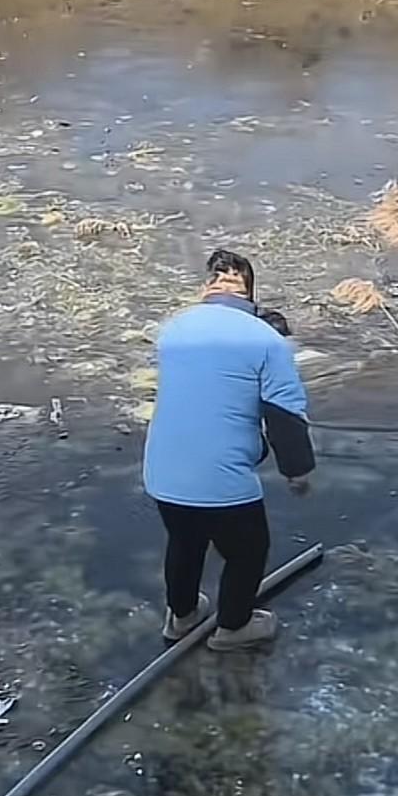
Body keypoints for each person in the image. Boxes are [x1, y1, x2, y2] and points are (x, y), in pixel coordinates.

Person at [143, 248, 315, 651]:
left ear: (208, 287)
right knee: (248, 550)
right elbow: (285, 414)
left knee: (185, 540)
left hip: (161, 471)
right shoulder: (267, 340)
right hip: (220, 478)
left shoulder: (173, 329)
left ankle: (182, 615)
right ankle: (233, 627)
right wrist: (297, 472)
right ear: (252, 295)